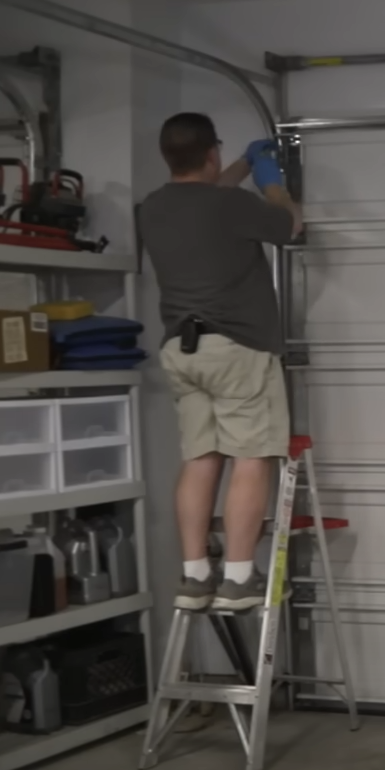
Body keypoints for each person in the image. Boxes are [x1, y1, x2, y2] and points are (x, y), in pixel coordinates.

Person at [139, 113, 302, 612]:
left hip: (182, 350)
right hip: (238, 347)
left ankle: (194, 577)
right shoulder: (234, 205)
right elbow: (291, 225)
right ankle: (238, 579)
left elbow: (205, 197)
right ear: (211, 151)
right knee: (251, 458)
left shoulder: (152, 208)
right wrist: (271, 180)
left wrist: (239, 165)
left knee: (200, 457)